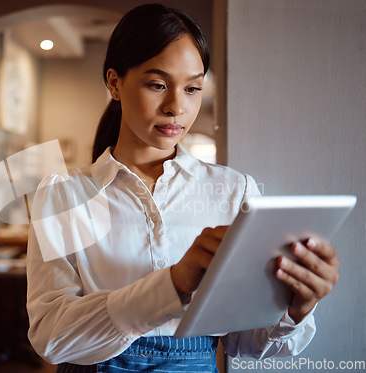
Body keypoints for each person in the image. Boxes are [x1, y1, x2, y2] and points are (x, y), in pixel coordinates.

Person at [26, 4, 340, 372]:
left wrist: (297, 307)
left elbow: (245, 341)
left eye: (192, 88)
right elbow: (51, 337)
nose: (177, 106)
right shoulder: (63, 194)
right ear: (114, 83)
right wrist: (171, 285)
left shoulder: (233, 190)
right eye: (157, 85)